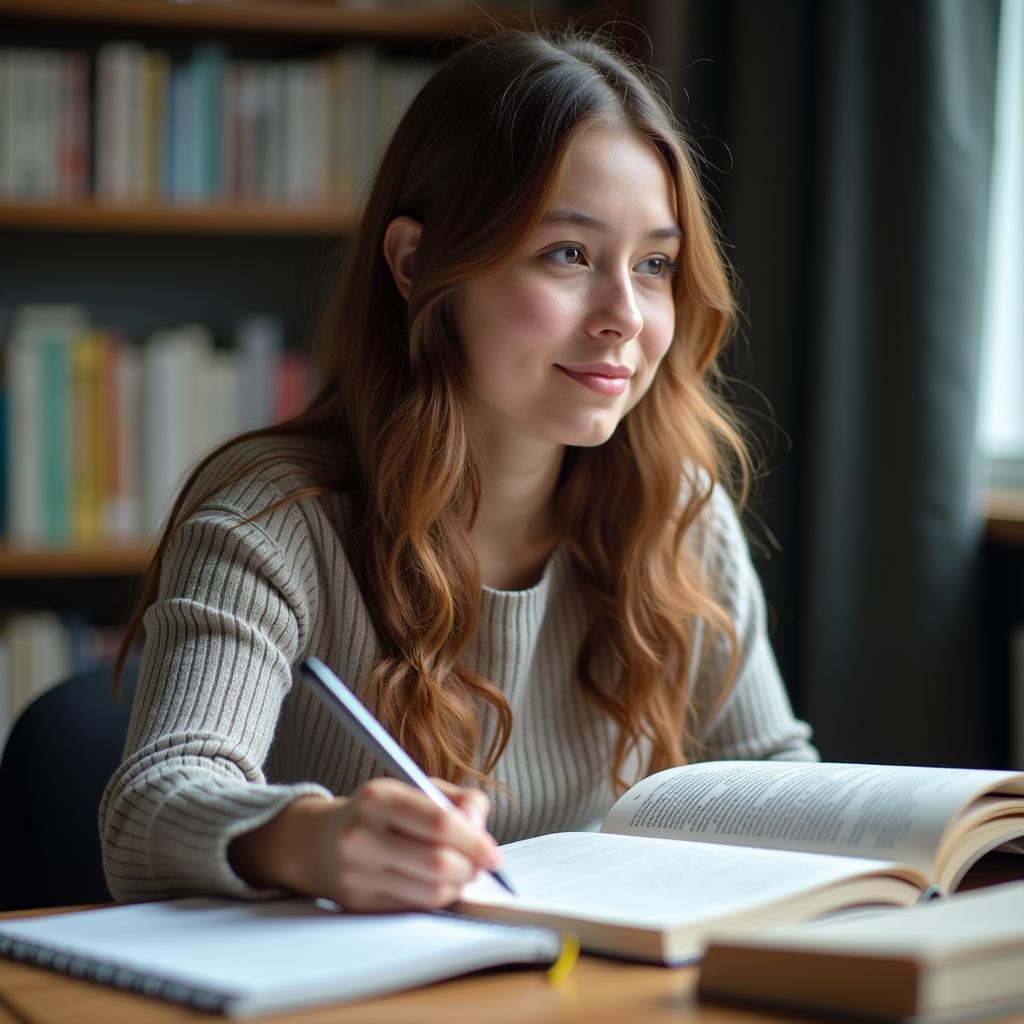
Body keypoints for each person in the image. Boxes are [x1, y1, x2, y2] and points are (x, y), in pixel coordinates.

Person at [100, 28, 816, 912]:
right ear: (415, 263)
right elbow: (150, 808)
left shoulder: (673, 505)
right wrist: (313, 841)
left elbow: (771, 774)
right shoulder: (274, 515)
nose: (624, 316)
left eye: (656, 265)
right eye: (568, 254)